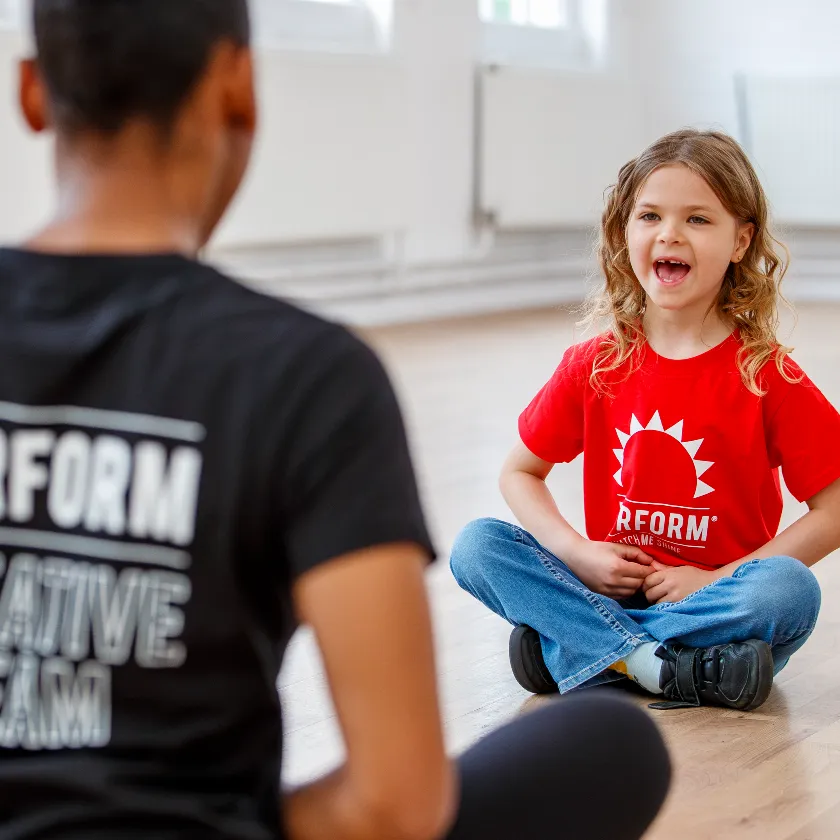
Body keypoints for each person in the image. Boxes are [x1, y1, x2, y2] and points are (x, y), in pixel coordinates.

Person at [0, 1, 671, 839]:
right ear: (237, 86)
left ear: (31, 92)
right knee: (611, 743)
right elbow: (394, 802)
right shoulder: (311, 374)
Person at [451, 129, 840, 712]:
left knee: (789, 590)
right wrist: (579, 554)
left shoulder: (767, 375)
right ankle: (664, 668)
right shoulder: (594, 364)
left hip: (714, 607)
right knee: (475, 545)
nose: (670, 233)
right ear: (624, 234)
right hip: (605, 591)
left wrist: (713, 580)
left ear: (742, 241)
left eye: (698, 219)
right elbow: (519, 472)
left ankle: (584, 651)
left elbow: (834, 507)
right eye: (650, 215)